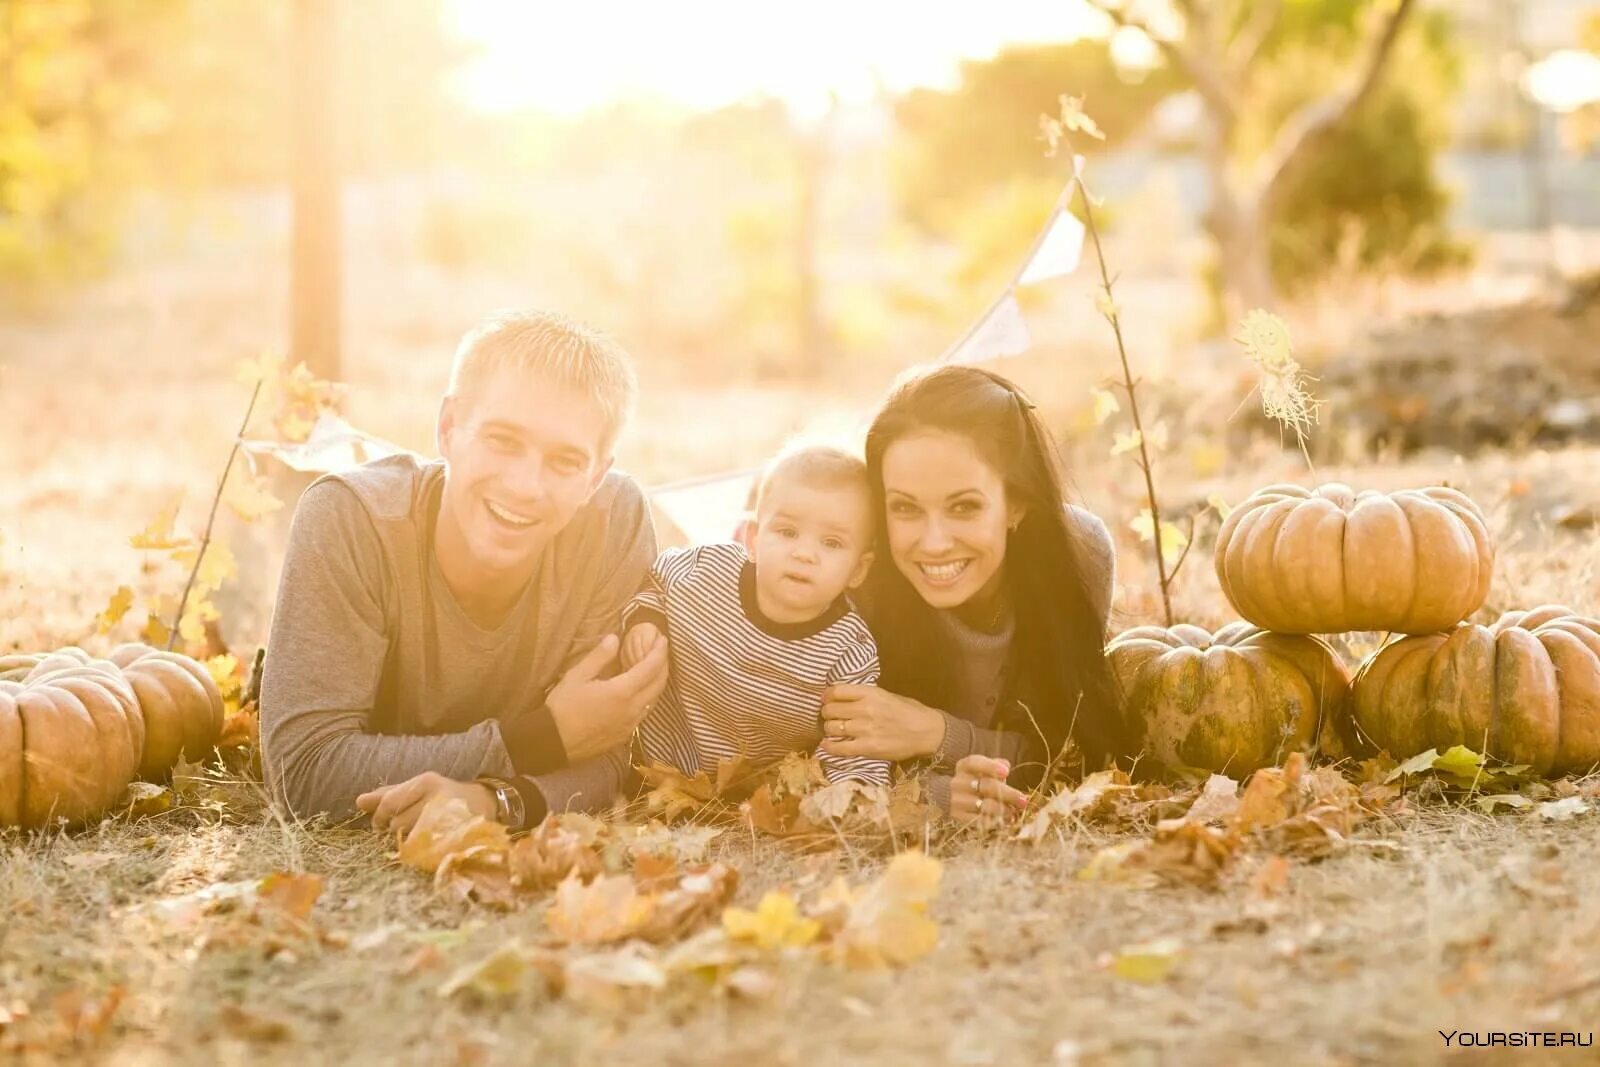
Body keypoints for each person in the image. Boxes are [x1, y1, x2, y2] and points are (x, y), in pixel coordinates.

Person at [259, 309, 670, 835]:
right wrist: (540, 740)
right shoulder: (351, 519)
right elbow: (304, 776)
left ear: (595, 476)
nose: (525, 485)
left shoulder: (611, 520)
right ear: (449, 428)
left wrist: (497, 802)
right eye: (502, 441)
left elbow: (609, 746)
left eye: (565, 461)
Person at [816, 364, 1122, 822]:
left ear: (1015, 502)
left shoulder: (1079, 555)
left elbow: (1072, 747)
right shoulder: (856, 578)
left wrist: (936, 733)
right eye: (905, 508)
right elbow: (817, 756)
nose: (934, 541)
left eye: (964, 507)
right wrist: (936, 795)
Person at [624, 445, 888, 785]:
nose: (805, 553)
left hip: (754, 792)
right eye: (788, 532)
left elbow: (852, 738)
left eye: (832, 543)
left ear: (859, 569)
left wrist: (852, 793)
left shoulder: (847, 648)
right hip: (654, 763)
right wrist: (645, 619)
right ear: (753, 538)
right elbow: (655, 580)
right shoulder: (707, 571)